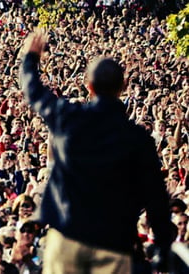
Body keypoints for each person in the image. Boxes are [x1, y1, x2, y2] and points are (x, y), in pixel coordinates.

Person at [20, 30, 172, 273]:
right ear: (123, 86)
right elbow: (156, 196)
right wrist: (164, 245)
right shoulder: (138, 138)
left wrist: (30, 57)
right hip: (113, 245)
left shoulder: (67, 118)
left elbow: (33, 91)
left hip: (66, 239)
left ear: (88, 86)